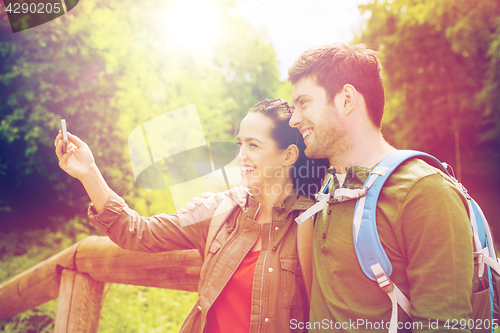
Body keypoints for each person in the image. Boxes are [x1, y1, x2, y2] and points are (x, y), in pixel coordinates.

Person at [54, 99, 329, 332]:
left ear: (289, 155)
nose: (240, 156)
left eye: (253, 146)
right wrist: (89, 172)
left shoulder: (317, 224)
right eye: (239, 144)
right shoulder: (221, 211)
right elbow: (139, 232)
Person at [287, 43, 473, 332]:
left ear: (346, 99)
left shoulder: (424, 192)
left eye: (303, 103)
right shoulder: (335, 188)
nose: (294, 119)